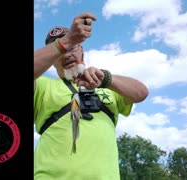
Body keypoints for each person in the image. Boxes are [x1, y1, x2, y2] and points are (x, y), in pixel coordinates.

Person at [34, 12, 148, 180]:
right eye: (60, 51)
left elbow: (141, 92)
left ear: (81, 49)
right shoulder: (43, 86)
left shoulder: (107, 86)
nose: (66, 55)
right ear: (51, 60)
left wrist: (107, 79)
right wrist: (67, 41)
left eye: (72, 48)